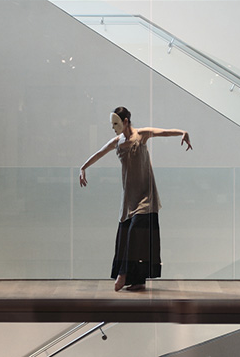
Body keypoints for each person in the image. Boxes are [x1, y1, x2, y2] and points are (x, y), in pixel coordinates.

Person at [79, 106, 192, 292]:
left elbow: (163, 132)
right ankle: (138, 281)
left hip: (145, 195)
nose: (113, 127)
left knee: (135, 233)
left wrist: (183, 132)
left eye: (116, 123)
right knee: (127, 236)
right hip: (129, 198)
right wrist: (83, 167)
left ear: (125, 121)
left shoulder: (141, 135)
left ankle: (123, 273)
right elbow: (99, 153)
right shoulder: (117, 141)